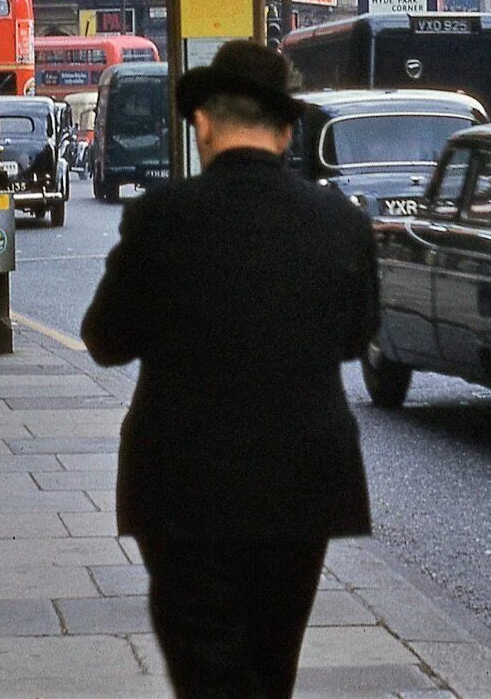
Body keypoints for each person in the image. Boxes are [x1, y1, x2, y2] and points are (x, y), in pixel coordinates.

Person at [82, 40, 379, 699]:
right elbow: (357, 336)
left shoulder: (161, 219)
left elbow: (105, 339)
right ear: (286, 129)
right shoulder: (340, 223)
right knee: (272, 663)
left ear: (205, 123)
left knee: (207, 663)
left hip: (185, 484)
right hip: (303, 482)